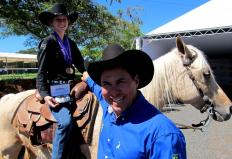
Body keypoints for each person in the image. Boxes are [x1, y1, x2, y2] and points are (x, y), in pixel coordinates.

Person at [82, 44, 187, 159]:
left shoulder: (163, 134)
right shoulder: (109, 106)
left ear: (136, 81)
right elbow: (98, 89)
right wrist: (87, 78)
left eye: (121, 81)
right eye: (106, 84)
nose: (114, 92)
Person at [36, 3, 85, 159]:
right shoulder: (48, 42)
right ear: (52, 23)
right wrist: (45, 95)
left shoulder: (71, 44)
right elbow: (41, 72)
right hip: (54, 92)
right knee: (64, 122)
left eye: (64, 20)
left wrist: (91, 75)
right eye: (58, 20)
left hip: (70, 89)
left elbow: (81, 65)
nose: (62, 22)